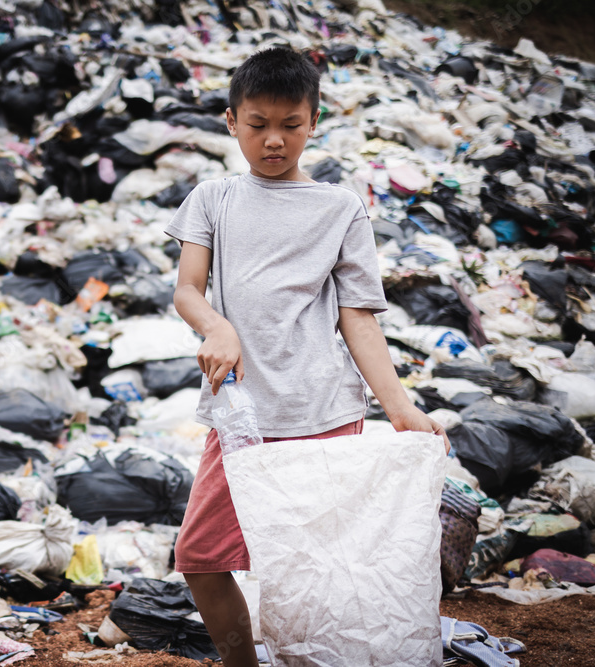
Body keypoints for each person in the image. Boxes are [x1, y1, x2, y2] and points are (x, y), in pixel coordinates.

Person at [164, 46, 450, 667]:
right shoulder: (213, 198)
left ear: (314, 122)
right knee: (201, 558)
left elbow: (358, 318)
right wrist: (217, 326)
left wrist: (401, 408)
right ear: (231, 122)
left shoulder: (339, 208)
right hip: (241, 420)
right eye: (258, 124)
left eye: (290, 125)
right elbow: (187, 289)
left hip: (324, 415)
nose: (274, 140)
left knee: (321, 569)